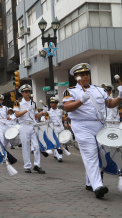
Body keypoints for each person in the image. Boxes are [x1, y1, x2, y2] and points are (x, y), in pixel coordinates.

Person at [63, 63, 122, 198]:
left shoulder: (99, 90)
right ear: (76, 77)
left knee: (101, 153)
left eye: (87, 74)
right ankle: (98, 186)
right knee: (90, 154)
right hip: (82, 126)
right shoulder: (71, 91)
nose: (85, 77)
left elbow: (110, 104)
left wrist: (120, 97)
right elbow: (67, 107)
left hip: (100, 125)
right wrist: (80, 101)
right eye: (82, 75)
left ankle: (90, 182)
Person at [14, 84, 47, 174]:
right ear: (22, 93)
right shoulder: (18, 103)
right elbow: (16, 114)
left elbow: (35, 116)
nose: (28, 93)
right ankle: (27, 166)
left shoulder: (33, 103)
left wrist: (43, 112)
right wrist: (26, 110)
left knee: (36, 146)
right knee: (26, 146)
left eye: (29, 91)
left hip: (33, 125)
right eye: (25, 92)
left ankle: (37, 165)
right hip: (24, 125)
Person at [44, 97, 65, 162]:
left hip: (61, 127)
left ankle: (56, 154)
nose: (51, 104)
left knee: (61, 141)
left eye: (53, 103)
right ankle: (60, 156)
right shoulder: (48, 112)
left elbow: (63, 119)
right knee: (57, 142)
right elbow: (46, 121)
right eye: (51, 103)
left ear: (56, 104)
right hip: (54, 128)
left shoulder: (61, 111)